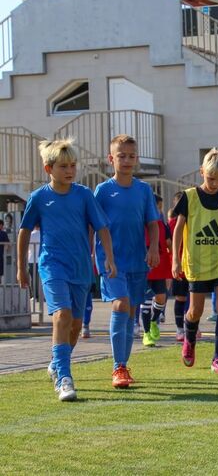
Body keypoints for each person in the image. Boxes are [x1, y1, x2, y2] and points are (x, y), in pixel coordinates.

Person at [16, 139, 115, 401]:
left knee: (75, 325)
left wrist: (109, 258)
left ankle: (57, 363)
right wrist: (21, 268)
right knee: (62, 315)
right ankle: (64, 379)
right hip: (52, 265)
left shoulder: (84, 195)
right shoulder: (39, 198)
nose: (70, 170)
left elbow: (102, 227)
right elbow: (24, 231)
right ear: (48, 169)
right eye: (63, 166)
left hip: (80, 268)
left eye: (72, 165)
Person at [95, 134, 160, 389]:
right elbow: (93, 224)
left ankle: (124, 366)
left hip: (136, 260)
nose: (127, 160)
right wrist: (91, 254)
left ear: (137, 159)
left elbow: (152, 223)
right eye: (121, 155)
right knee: (120, 304)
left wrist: (153, 248)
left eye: (131, 156)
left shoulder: (143, 190)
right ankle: (118, 366)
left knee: (131, 311)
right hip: (111, 261)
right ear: (110, 159)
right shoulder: (102, 191)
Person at [172, 149, 218, 374]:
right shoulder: (189, 197)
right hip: (196, 263)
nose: (215, 183)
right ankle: (189, 340)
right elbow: (178, 229)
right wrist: (175, 259)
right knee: (195, 310)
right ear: (201, 172)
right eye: (211, 178)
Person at [140, 194, 172, 348]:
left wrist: (174, 262)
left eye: (159, 208)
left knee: (161, 297)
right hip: (144, 267)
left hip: (160, 266)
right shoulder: (139, 223)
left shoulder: (162, 225)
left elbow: (169, 243)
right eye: (156, 207)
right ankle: (146, 333)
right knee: (146, 300)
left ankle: (154, 321)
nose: (158, 210)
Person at [168, 192, 190, 342]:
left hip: (193, 265)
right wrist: (175, 261)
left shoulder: (194, 220)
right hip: (179, 266)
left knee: (194, 297)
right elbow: (169, 244)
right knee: (181, 297)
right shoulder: (172, 224)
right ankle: (179, 328)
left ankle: (191, 325)